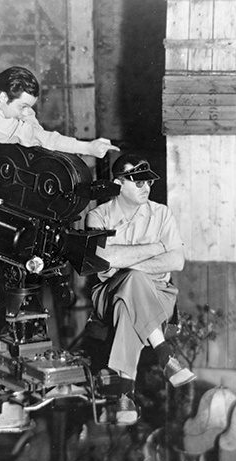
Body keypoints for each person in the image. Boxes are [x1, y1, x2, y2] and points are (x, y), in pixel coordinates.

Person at [0, 65, 119, 388]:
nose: (27, 110)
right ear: (3, 97)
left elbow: (31, 128)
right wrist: (86, 147)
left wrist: (24, 115)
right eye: (23, 105)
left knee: (1, 260)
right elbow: (32, 137)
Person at [85, 153, 195, 424]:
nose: (146, 187)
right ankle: (164, 354)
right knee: (130, 285)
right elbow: (105, 259)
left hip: (158, 294)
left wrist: (126, 265)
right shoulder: (97, 217)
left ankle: (125, 393)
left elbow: (177, 261)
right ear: (118, 184)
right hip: (109, 294)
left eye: (149, 181)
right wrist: (157, 248)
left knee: (131, 289)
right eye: (138, 182)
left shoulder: (162, 213)